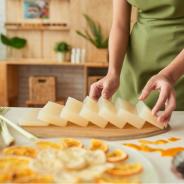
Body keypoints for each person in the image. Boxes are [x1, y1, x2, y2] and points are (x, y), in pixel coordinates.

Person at [89, 0, 184, 124]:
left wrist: (169, 76)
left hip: (179, 68)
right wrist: (113, 72)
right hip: (133, 70)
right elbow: (120, 25)